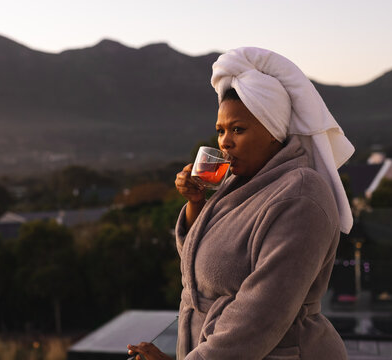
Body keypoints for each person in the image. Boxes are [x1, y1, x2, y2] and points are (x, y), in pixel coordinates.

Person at [128, 47, 354, 360]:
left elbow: (261, 314)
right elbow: (200, 266)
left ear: (274, 131)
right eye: (221, 130)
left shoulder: (301, 195)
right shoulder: (237, 183)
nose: (225, 141)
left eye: (238, 129)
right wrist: (196, 203)